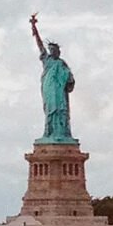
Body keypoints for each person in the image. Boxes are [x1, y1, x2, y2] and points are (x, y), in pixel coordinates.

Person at [29, 14, 77, 142]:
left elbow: (70, 79)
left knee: (61, 110)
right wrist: (34, 29)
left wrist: (70, 80)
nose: (52, 52)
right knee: (50, 110)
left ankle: (62, 134)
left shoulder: (61, 64)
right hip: (49, 89)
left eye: (54, 50)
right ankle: (49, 133)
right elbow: (39, 45)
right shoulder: (47, 60)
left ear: (58, 51)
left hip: (59, 90)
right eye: (50, 50)